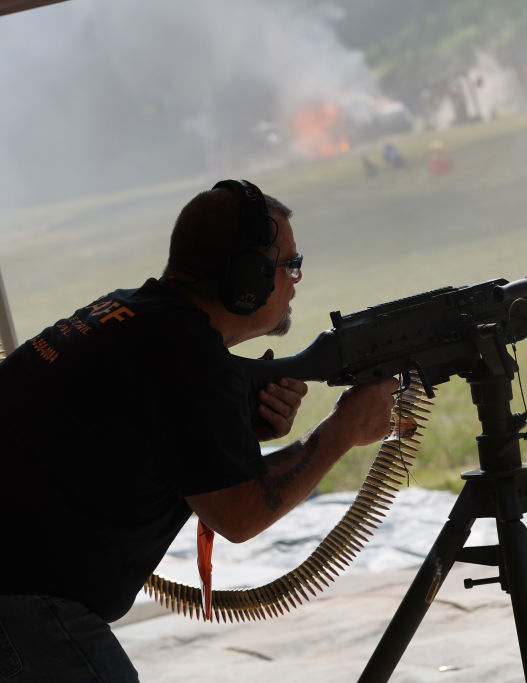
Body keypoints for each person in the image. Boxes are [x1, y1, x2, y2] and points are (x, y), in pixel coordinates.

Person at [0, 179, 398, 681]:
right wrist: (343, 429)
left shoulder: (131, 312)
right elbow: (239, 514)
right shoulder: (186, 357)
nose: (296, 279)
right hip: (21, 600)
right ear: (247, 278)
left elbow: (120, 438)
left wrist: (233, 427)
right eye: (288, 265)